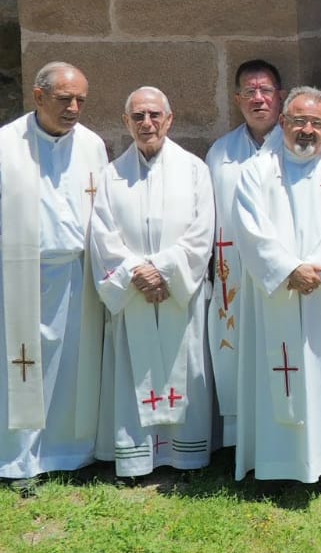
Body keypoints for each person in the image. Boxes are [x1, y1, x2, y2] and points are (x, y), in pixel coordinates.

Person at [231, 87, 321, 485]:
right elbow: (249, 229)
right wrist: (287, 269)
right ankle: (281, 466)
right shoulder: (257, 171)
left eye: (316, 123)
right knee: (283, 373)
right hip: (278, 294)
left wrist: (319, 271)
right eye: (298, 121)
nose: (307, 130)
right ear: (282, 123)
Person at [90, 88, 214, 480]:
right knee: (135, 372)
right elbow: (103, 235)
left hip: (179, 294)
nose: (147, 124)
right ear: (126, 122)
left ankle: (187, 456)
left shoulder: (194, 169)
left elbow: (202, 231)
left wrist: (163, 270)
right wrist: (135, 273)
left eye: (155, 115)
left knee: (185, 366)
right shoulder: (111, 176)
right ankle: (138, 457)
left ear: (169, 119)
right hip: (135, 294)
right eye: (138, 116)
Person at [0, 62, 107, 489]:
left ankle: (70, 451)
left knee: (73, 368)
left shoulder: (92, 145)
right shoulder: (6, 144)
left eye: (81, 99)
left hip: (78, 278)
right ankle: (20, 460)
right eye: (65, 99)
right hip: (19, 277)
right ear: (39, 96)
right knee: (22, 367)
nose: (74, 108)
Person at [206, 59, 286, 447]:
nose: (258, 99)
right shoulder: (220, 153)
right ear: (237, 99)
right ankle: (240, 440)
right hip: (233, 272)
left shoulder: (295, 146)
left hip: (280, 273)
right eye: (250, 92)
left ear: (280, 97)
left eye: (266, 91)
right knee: (236, 351)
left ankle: (280, 435)